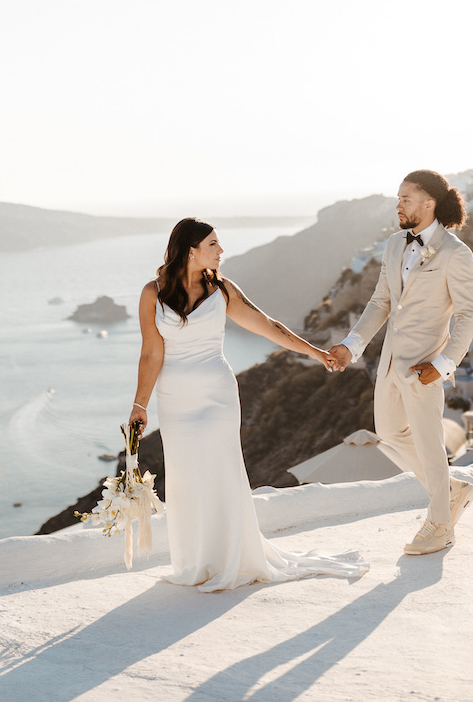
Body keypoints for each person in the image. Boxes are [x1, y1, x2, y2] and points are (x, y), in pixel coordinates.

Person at [127, 217, 368, 592]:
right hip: (174, 400)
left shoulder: (221, 289)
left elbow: (268, 326)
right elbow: (151, 353)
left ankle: (232, 558)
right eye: (213, 245)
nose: (222, 251)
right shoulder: (152, 293)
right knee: (187, 476)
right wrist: (139, 405)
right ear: (191, 251)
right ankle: (198, 561)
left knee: (220, 469)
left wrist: (317, 353)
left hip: (217, 394)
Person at [329, 170, 473, 555]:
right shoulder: (396, 244)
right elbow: (381, 302)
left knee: (430, 443)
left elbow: (469, 315)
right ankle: (449, 490)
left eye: (405, 199)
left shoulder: (456, 254)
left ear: (429, 203)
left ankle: (439, 526)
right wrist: (352, 344)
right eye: (398, 199)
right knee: (391, 431)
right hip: (390, 364)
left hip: (425, 368)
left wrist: (444, 364)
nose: (398, 205)